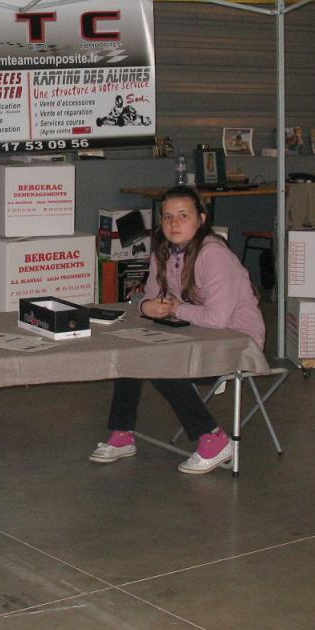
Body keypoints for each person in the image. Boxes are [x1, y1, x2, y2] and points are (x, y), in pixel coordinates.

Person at [89, 186, 264, 474]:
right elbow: (151, 295)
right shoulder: (163, 250)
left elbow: (218, 319)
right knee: (132, 347)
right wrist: (148, 307)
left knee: (158, 360)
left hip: (237, 342)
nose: (174, 223)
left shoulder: (214, 255)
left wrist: (175, 309)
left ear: (201, 219)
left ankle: (214, 438)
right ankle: (122, 433)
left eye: (183, 216)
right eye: (168, 217)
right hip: (193, 331)